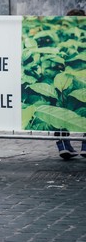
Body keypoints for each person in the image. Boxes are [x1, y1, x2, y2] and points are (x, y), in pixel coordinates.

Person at [54, 8, 85, 159]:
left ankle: (63, 145)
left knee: (61, 111)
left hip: (63, 84)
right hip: (79, 84)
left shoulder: (61, 39)